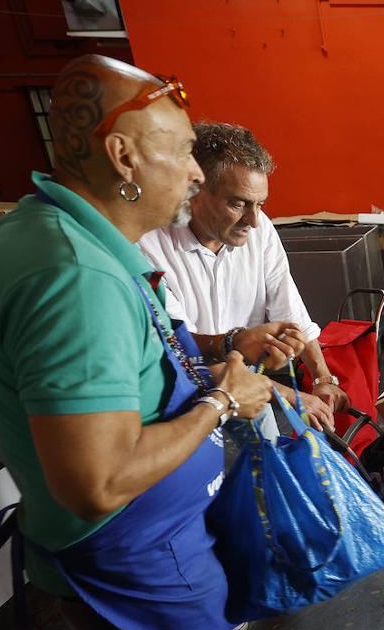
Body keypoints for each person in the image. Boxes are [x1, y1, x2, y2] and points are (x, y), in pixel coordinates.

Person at [0, 55, 287, 630]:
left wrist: (227, 344)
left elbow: (137, 352)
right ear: (123, 156)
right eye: (184, 152)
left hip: (149, 539)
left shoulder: (49, 232)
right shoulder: (76, 276)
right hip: (135, 550)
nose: (197, 172)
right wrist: (222, 403)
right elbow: (98, 482)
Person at [139, 121, 342, 431]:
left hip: (249, 386)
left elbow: (292, 314)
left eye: (259, 204)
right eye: (238, 204)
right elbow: (181, 348)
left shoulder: (261, 234)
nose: (254, 220)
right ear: (194, 189)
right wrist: (291, 396)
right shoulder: (150, 244)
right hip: (181, 398)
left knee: (268, 465)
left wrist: (321, 378)